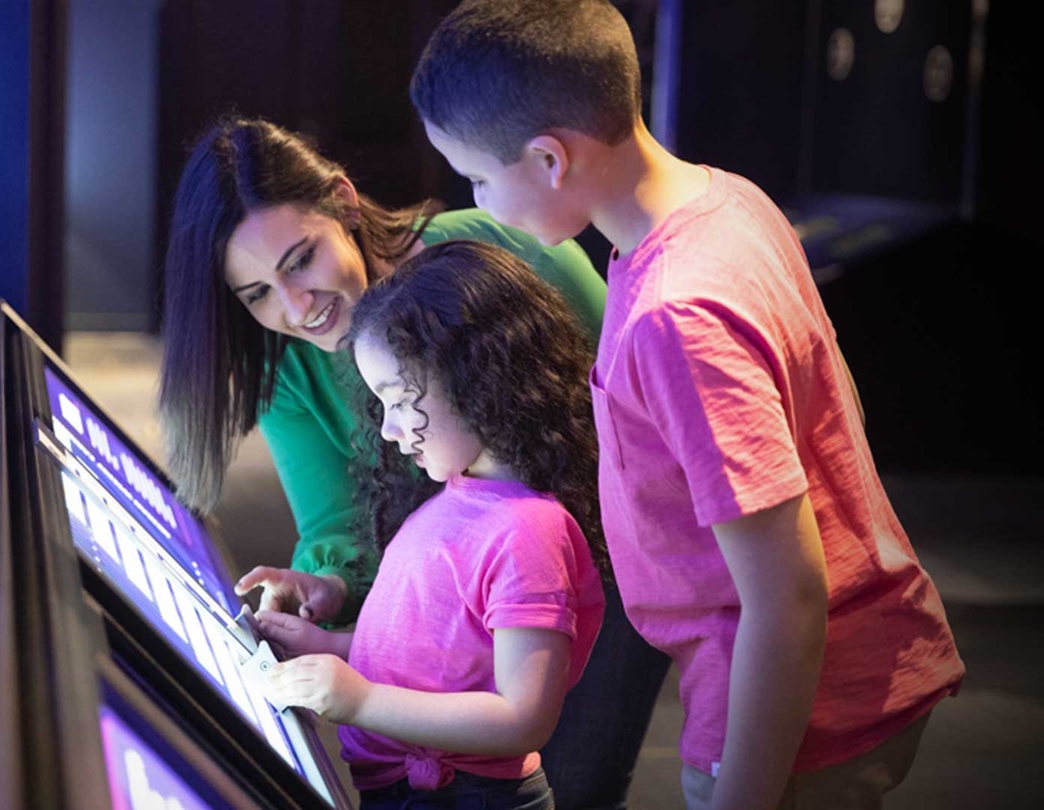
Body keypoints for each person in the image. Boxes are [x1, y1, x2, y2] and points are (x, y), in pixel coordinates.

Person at [409, 2, 966, 808]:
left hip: (798, 712)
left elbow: (786, 595)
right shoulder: (726, 199)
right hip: (849, 667)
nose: (480, 200)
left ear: (549, 159)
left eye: (479, 177)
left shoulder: (677, 314)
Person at [158, 115, 671, 806]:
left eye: (300, 260)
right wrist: (331, 587)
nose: (297, 307)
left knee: (579, 783)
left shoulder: (503, 251)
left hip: (612, 564)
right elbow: (341, 520)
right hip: (465, 612)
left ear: (342, 203)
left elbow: (642, 409)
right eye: (256, 295)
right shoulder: (286, 367)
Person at [258, 240, 607, 810]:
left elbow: (523, 717)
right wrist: (329, 646)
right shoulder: (456, 498)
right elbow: (435, 659)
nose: (391, 431)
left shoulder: (528, 531)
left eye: (399, 401)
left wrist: (361, 701)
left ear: (477, 377)